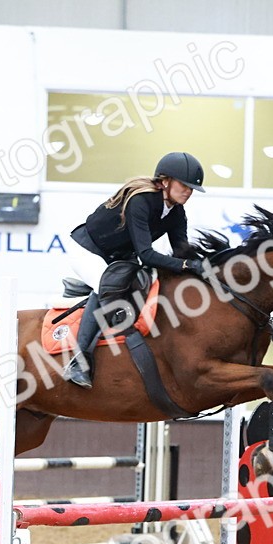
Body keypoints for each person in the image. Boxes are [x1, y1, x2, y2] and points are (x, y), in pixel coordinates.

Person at [63, 151, 208, 388]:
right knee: (106, 287)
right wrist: (185, 265)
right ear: (164, 181)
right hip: (87, 249)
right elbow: (147, 255)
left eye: (192, 188)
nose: (188, 191)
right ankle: (78, 362)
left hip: (119, 258)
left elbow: (182, 253)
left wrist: (205, 266)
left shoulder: (177, 213)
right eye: (184, 185)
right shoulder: (141, 201)